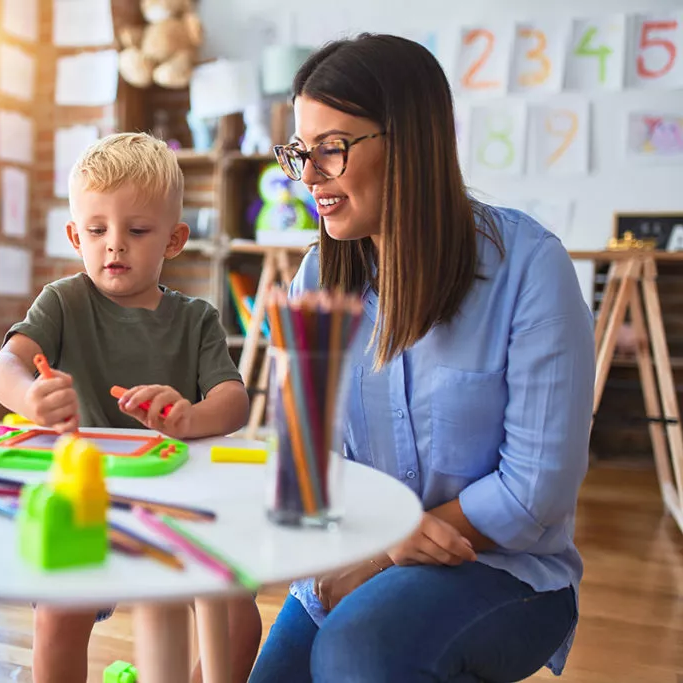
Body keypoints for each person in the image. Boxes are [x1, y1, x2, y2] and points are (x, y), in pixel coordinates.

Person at [248, 34, 594, 683]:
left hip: (503, 569)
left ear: (408, 141)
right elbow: (303, 462)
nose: (311, 175)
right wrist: (370, 544)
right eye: (302, 151)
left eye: (333, 148)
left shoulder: (530, 267)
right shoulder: (315, 276)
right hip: (353, 556)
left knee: (358, 652)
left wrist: (387, 550)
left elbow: (535, 489)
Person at [0, 132, 261, 683]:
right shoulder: (63, 302)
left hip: (178, 501)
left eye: (137, 231)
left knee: (240, 619)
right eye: (97, 230)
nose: (115, 245)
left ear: (174, 239)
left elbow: (233, 402)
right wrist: (30, 398)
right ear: (75, 235)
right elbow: (5, 367)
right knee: (59, 619)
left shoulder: (197, 319)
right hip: (81, 498)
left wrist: (189, 416)